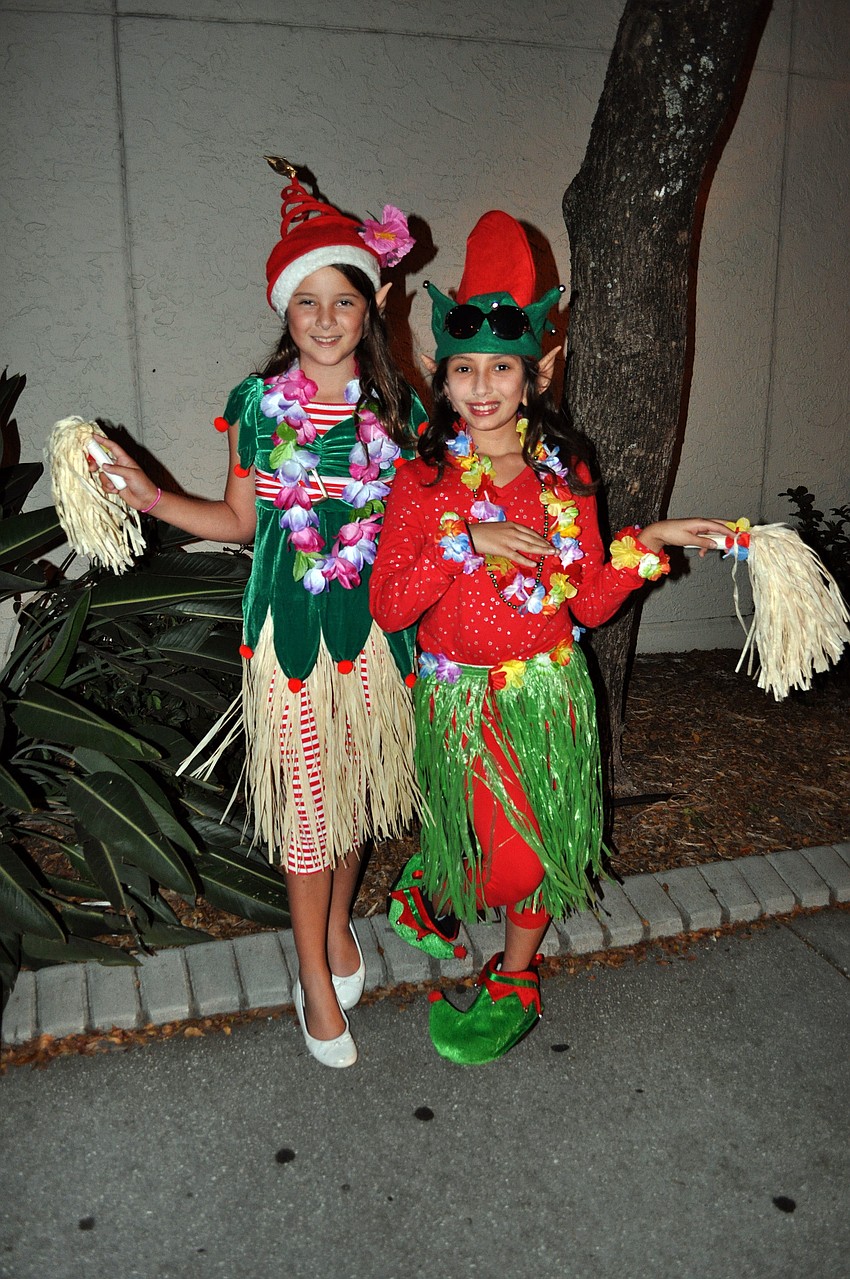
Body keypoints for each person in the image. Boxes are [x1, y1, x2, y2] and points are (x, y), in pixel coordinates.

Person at [369, 210, 731, 1065]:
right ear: (441, 375)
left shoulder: (564, 477)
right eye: (465, 368)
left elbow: (592, 602)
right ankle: (437, 882)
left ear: (537, 372)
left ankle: (517, 974)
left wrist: (652, 544)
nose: (483, 385)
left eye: (502, 366)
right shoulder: (422, 486)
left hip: (546, 693)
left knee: (536, 856)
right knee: (483, 858)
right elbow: (389, 606)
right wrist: (466, 536)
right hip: (458, 699)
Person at [93, 159, 423, 1068]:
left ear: (372, 306)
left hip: (376, 641)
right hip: (287, 639)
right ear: (285, 309)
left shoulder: (398, 409)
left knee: (356, 808)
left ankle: (339, 929)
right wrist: (152, 497)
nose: (324, 319)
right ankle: (312, 974)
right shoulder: (257, 403)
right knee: (309, 819)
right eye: (306, 301)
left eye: (343, 301)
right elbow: (241, 520)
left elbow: (419, 525)